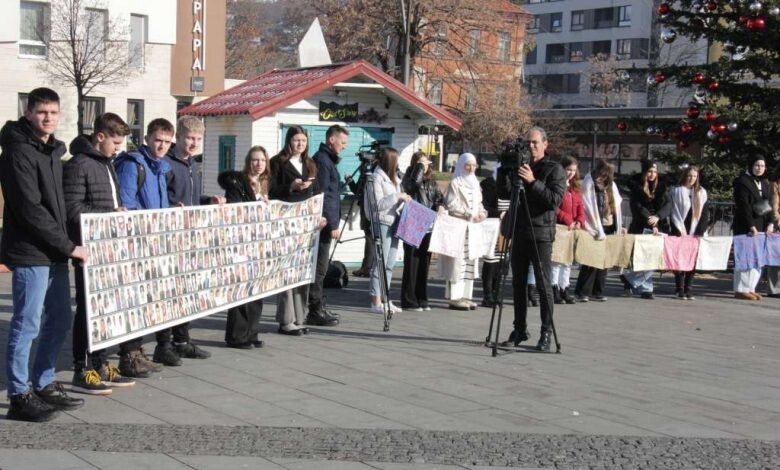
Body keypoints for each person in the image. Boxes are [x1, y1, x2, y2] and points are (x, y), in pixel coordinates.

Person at [0, 87, 86, 421]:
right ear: (28, 113)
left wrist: (69, 242)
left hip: (54, 251)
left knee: (61, 318)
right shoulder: (18, 151)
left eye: (53, 112)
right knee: (27, 324)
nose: (48, 118)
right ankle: (20, 394)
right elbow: (30, 209)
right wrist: (69, 246)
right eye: (41, 112)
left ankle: (44, 382)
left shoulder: (51, 150)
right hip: (30, 251)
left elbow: (59, 206)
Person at [64, 113, 137, 395]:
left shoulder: (107, 164)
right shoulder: (79, 165)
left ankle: (101, 362)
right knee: (87, 309)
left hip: (109, 249)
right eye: (116, 142)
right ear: (100, 136)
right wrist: (110, 214)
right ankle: (82, 369)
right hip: (88, 249)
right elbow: (73, 210)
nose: (118, 148)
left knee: (106, 309)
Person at [154, 115, 221, 364]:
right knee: (169, 292)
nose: (194, 143)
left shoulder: (193, 164)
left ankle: (182, 339)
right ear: (178, 138)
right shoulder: (167, 163)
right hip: (170, 236)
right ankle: (164, 343)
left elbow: (191, 197)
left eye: (198, 139)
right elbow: (163, 198)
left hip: (190, 236)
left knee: (186, 292)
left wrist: (208, 201)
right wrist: (173, 207)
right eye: (190, 138)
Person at [112, 118, 174, 377]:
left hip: (153, 243)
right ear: (147, 138)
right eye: (158, 140)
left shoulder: (159, 167)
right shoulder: (133, 165)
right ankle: (128, 355)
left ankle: (137, 351)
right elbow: (128, 203)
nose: (162, 146)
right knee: (133, 300)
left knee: (144, 301)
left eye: (167, 142)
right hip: (136, 243)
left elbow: (159, 204)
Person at [496, 127, 566, 351]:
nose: (531, 146)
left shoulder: (554, 169)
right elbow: (505, 193)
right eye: (528, 143)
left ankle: (546, 332)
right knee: (517, 284)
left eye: (535, 142)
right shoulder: (521, 166)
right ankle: (519, 329)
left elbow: (554, 200)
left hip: (541, 234)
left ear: (546, 144)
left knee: (543, 285)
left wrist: (532, 181)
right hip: (520, 229)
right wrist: (505, 169)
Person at [270, 126, 326, 334]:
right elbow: (270, 190)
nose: (300, 144)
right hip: (285, 224)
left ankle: (300, 316)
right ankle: (286, 320)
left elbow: (318, 192)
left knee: (303, 269)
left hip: (306, 226)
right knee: (286, 271)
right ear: (288, 141)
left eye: (303, 140)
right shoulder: (277, 162)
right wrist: (290, 187)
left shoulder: (310, 163)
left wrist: (322, 215)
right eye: (296, 140)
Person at [219, 146, 270, 347]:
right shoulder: (238, 182)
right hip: (242, 242)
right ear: (249, 162)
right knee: (241, 288)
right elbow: (234, 207)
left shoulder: (265, 183)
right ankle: (236, 335)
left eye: (263, 160)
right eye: (255, 160)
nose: (259, 164)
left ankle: (251, 332)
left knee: (258, 289)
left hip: (260, 242)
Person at [308, 125, 349, 326]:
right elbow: (323, 195)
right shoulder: (323, 161)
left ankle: (318, 305)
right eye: (342, 142)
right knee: (320, 268)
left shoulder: (327, 161)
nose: (344, 147)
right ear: (331, 140)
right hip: (324, 223)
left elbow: (333, 191)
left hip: (327, 221)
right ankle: (314, 309)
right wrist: (331, 223)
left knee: (321, 268)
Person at [441, 153, 488, 311]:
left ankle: (466, 296)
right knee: (457, 263)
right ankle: (455, 298)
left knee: (470, 261)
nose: (471, 168)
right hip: (459, 227)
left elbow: (480, 204)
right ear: (461, 165)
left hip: (472, 228)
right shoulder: (456, 182)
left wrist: (483, 213)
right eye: (468, 164)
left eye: (474, 165)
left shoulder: (475, 183)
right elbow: (451, 204)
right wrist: (467, 213)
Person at [367, 148, 411, 313]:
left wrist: (404, 199)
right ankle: (375, 300)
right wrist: (397, 197)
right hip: (382, 222)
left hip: (395, 221)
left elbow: (395, 201)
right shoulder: (376, 178)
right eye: (396, 161)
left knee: (390, 264)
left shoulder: (395, 178)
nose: (398, 164)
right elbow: (377, 205)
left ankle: (386, 299)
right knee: (380, 262)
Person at [620, 159, 670, 300]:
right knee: (642, 258)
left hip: (659, 226)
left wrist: (658, 217)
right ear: (644, 172)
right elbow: (637, 207)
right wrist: (651, 221)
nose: (652, 174)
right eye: (649, 171)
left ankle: (630, 280)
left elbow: (668, 205)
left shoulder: (662, 187)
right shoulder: (636, 187)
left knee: (654, 259)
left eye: (654, 172)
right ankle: (646, 289)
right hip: (641, 226)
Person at [401, 151, 444, 311]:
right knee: (412, 262)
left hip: (428, 224)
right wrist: (418, 168)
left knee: (424, 262)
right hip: (413, 222)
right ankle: (409, 299)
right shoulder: (409, 177)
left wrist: (440, 205)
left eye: (427, 162)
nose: (425, 165)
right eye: (421, 163)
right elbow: (411, 187)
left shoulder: (431, 181)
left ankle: (421, 297)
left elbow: (439, 197)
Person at [575, 159, 623, 303]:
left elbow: (617, 205)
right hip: (593, 226)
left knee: (604, 262)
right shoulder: (588, 184)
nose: (602, 176)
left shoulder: (611, 186)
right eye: (601, 173)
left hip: (608, 225)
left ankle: (598, 291)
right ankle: (583, 291)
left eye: (606, 174)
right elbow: (587, 205)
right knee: (590, 261)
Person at [732, 155, 775, 300]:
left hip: (761, 226)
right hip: (746, 226)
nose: (759, 168)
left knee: (758, 259)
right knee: (745, 258)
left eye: (762, 166)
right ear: (751, 166)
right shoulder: (742, 182)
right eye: (757, 165)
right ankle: (740, 289)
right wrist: (750, 225)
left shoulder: (765, 183)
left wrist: (770, 223)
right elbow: (743, 205)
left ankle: (750, 287)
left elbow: (768, 204)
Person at [669, 165, 710, 300]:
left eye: (694, 176)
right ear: (685, 176)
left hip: (695, 232)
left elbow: (704, 213)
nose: (692, 178)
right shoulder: (676, 191)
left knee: (692, 261)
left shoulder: (701, 192)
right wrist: (676, 229)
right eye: (689, 175)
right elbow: (673, 211)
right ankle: (679, 289)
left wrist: (700, 230)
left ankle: (688, 289)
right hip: (680, 229)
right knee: (679, 261)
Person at [551, 156, 585, 305]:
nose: (571, 173)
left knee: (568, 262)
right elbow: (554, 207)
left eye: (573, 170)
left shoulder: (575, 188)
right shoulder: (557, 184)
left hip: (572, 230)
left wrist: (579, 221)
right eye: (568, 169)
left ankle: (565, 287)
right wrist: (567, 219)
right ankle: (554, 289)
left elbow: (580, 207)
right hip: (560, 227)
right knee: (557, 261)